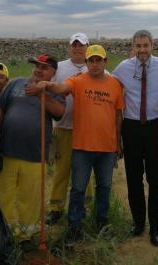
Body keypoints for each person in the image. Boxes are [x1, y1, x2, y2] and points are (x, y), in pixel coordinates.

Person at [34, 45, 124, 242]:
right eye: (91, 60)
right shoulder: (78, 81)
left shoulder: (115, 84)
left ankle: (101, 222)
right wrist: (47, 85)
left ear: (105, 62)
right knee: (78, 188)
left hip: (107, 148)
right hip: (82, 147)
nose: (94, 64)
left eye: (98, 60)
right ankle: (74, 226)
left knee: (104, 187)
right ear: (86, 63)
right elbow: (62, 88)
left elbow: (118, 115)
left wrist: (118, 142)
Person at [112, 30, 158, 247]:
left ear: (152, 46)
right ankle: (138, 223)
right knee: (133, 179)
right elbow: (108, 89)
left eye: (145, 46)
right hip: (131, 129)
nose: (142, 50)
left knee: (156, 181)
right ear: (133, 46)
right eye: (137, 46)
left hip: (156, 128)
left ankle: (155, 228)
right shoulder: (122, 68)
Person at [0, 54, 65, 251]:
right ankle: (4, 233)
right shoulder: (15, 84)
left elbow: (59, 112)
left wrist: (41, 93)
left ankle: (27, 236)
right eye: (36, 66)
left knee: (30, 197)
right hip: (7, 151)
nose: (39, 70)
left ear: (53, 72)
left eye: (44, 67)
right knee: (3, 195)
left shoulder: (54, 90)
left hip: (35, 154)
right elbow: (1, 112)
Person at [46, 33, 95, 225]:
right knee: (61, 170)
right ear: (69, 48)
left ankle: (85, 206)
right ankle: (56, 208)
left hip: (86, 129)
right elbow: (50, 88)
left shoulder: (95, 66)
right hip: (64, 127)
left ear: (87, 47)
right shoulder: (61, 67)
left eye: (81, 45)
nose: (77, 49)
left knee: (84, 170)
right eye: (74, 45)